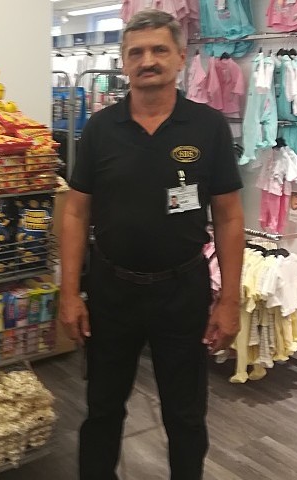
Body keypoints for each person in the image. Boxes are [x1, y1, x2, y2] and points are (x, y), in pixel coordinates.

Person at [60, 9, 244, 480]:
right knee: (102, 409)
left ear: (181, 57)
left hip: (182, 292)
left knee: (185, 415)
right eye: (136, 52)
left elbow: (228, 216)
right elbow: (76, 212)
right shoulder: (100, 128)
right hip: (111, 291)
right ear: (123, 62)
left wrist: (229, 299)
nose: (148, 61)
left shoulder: (208, 127)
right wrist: (69, 293)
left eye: (159, 50)